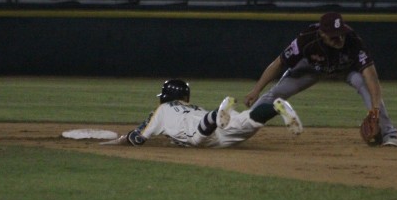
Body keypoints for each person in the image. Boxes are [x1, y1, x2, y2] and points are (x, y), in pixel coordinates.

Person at [244, 12, 397, 147]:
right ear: (322, 33)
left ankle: (389, 134)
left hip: (345, 70)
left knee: (363, 83)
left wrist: (375, 111)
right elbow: (278, 63)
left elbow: (371, 76)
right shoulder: (306, 39)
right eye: (334, 35)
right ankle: (243, 125)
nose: (339, 38)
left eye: (341, 33)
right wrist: (256, 90)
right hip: (312, 69)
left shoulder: (353, 40)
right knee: (275, 94)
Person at [110, 79, 302, 148]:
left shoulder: (162, 110)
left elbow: (137, 139)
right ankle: (276, 107)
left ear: (166, 96)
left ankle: (216, 114)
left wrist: (117, 141)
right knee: (247, 122)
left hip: (201, 128)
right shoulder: (193, 106)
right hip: (218, 128)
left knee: (196, 139)